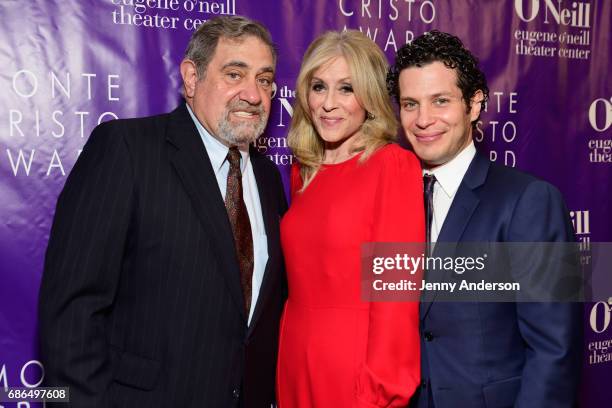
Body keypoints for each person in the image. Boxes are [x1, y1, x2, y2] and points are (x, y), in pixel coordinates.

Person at [38, 16, 287, 407]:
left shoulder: (270, 179)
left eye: (265, 79)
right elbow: (73, 312)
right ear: (191, 77)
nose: (253, 94)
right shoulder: (126, 151)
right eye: (235, 74)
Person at [387, 30, 582, 408]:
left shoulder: (529, 201)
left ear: (474, 105)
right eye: (410, 104)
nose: (423, 119)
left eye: (440, 101)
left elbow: (554, 350)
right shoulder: (392, 199)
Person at [277, 30, 424, 407]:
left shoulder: (392, 165)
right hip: (295, 359)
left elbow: (396, 292)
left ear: (370, 99)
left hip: (354, 369)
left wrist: (381, 391)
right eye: (319, 86)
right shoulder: (303, 170)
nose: (328, 103)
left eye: (346, 89)